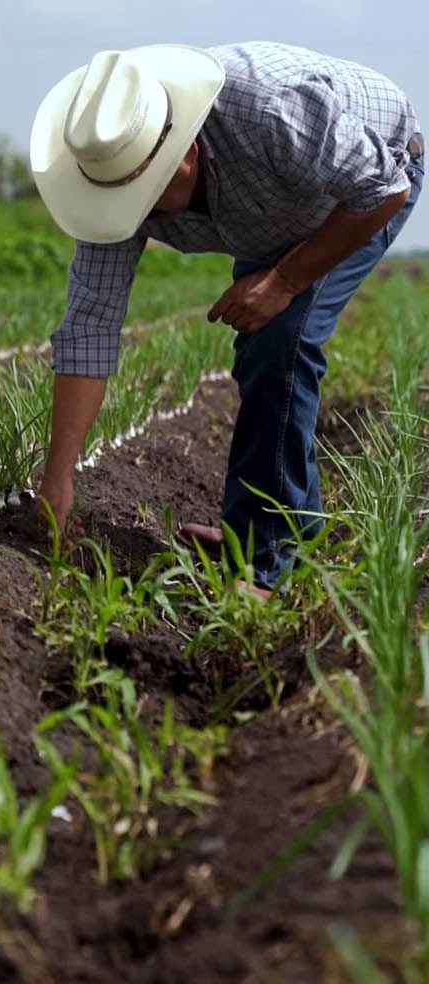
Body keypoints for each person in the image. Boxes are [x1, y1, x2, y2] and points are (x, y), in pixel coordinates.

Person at [29, 42, 424, 596]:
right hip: (279, 207)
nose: (138, 208)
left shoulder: (271, 111)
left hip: (366, 183)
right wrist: (58, 479)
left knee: (280, 340)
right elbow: (90, 324)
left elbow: (383, 189)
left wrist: (284, 281)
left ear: (186, 149)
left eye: (150, 190)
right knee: (267, 350)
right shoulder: (109, 175)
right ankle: (279, 535)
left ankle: (265, 565)